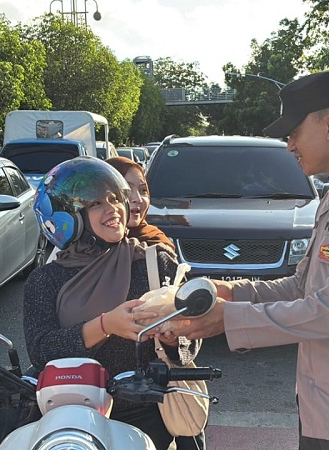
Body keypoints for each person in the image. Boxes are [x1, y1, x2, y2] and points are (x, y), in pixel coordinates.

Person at [175, 67, 329, 450]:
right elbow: (302, 286)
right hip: (320, 406)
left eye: (294, 132)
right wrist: (228, 291)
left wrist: (225, 320)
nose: (289, 145)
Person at [24, 156, 200, 450]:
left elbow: (189, 346)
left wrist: (172, 338)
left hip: (145, 414)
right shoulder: (45, 280)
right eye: (96, 203)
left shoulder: (155, 264)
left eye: (114, 198)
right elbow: (42, 350)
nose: (115, 209)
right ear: (69, 216)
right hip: (68, 421)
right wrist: (107, 325)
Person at [106, 155, 207, 450]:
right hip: (84, 406)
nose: (137, 200)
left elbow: (191, 339)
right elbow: (44, 344)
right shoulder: (65, 259)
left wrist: (175, 341)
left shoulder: (158, 253)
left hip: (154, 408)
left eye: (144, 190)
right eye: (126, 190)